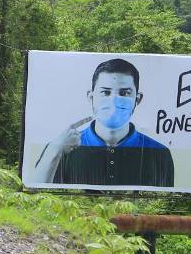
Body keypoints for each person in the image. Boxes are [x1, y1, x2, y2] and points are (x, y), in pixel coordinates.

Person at [33, 58, 174, 188]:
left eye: (124, 93)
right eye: (105, 92)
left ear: (137, 99)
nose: (114, 100)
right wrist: (54, 150)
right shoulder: (62, 147)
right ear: (91, 96)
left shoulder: (159, 153)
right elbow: (37, 196)